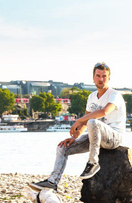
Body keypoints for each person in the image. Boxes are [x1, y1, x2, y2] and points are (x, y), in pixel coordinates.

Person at [29, 62, 126, 191]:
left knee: (93, 121)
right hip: (96, 136)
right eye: (98, 76)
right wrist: (74, 137)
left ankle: (93, 163)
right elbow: (85, 123)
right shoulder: (91, 97)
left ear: (109, 78)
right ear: (93, 77)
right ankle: (53, 181)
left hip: (114, 137)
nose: (101, 79)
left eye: (104, 76)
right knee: (63, 148)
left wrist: (79, 120)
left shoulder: (114, 95)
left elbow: (103, 112)